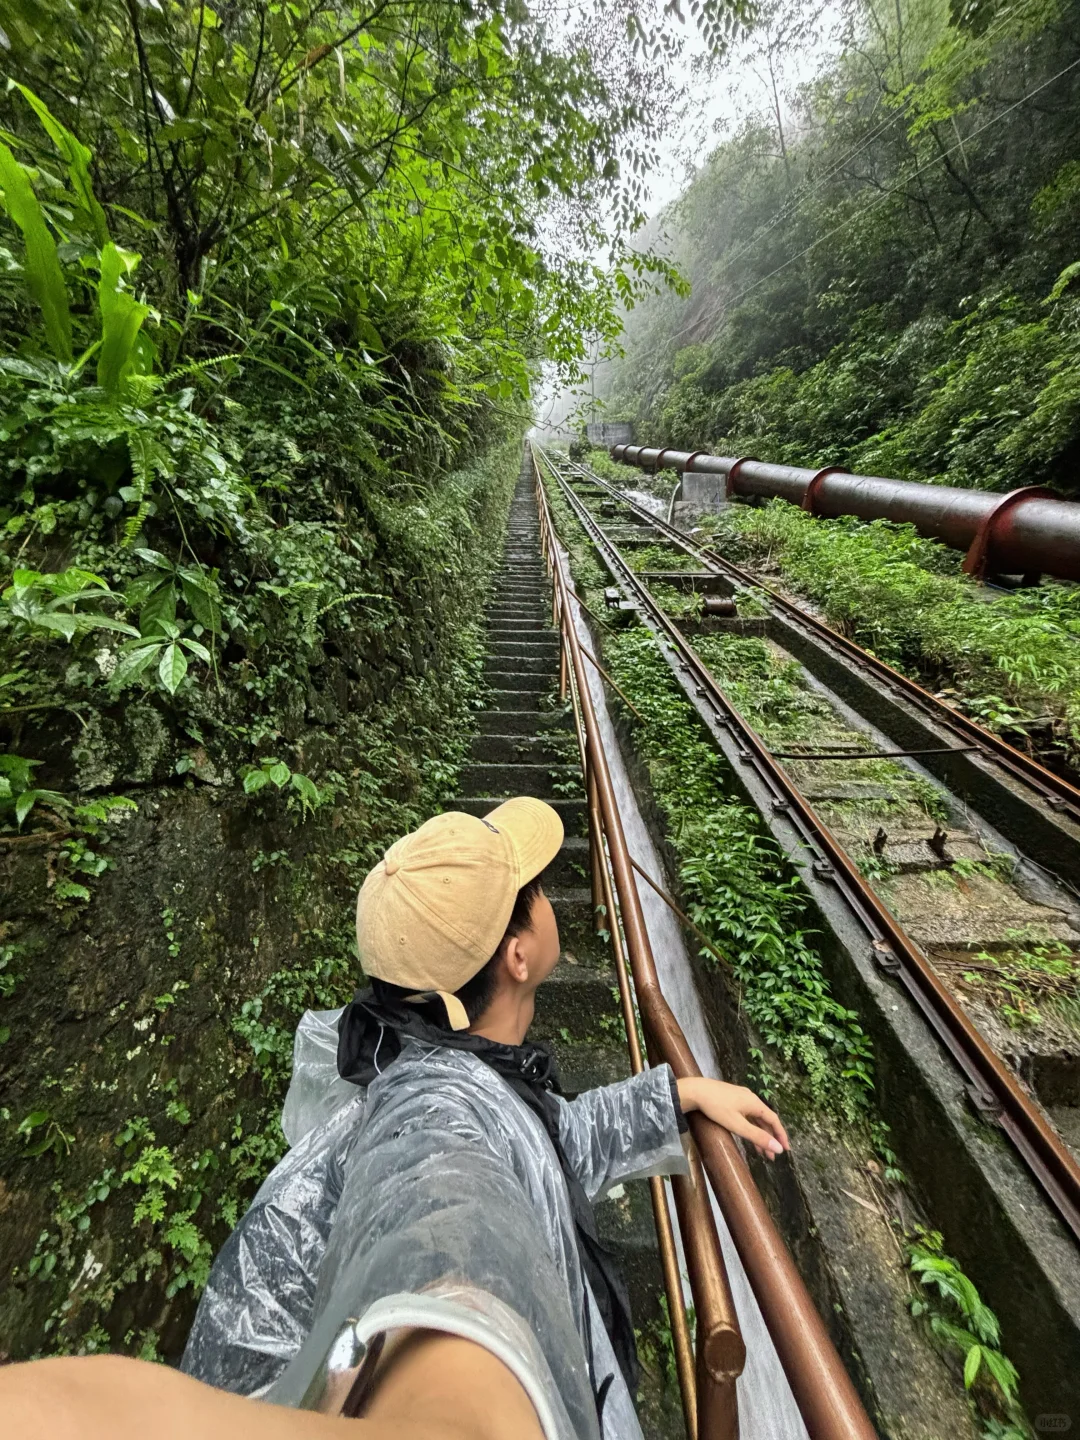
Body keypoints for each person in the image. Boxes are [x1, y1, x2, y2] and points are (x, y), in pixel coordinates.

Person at [1, 797, 788, 1440]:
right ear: (518, 954)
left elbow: (534, 1147)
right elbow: (445, 1207)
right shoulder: (432, 1112)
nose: (551, 900)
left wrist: (673, 1097)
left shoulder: (442, 1067)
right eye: (538, 892)